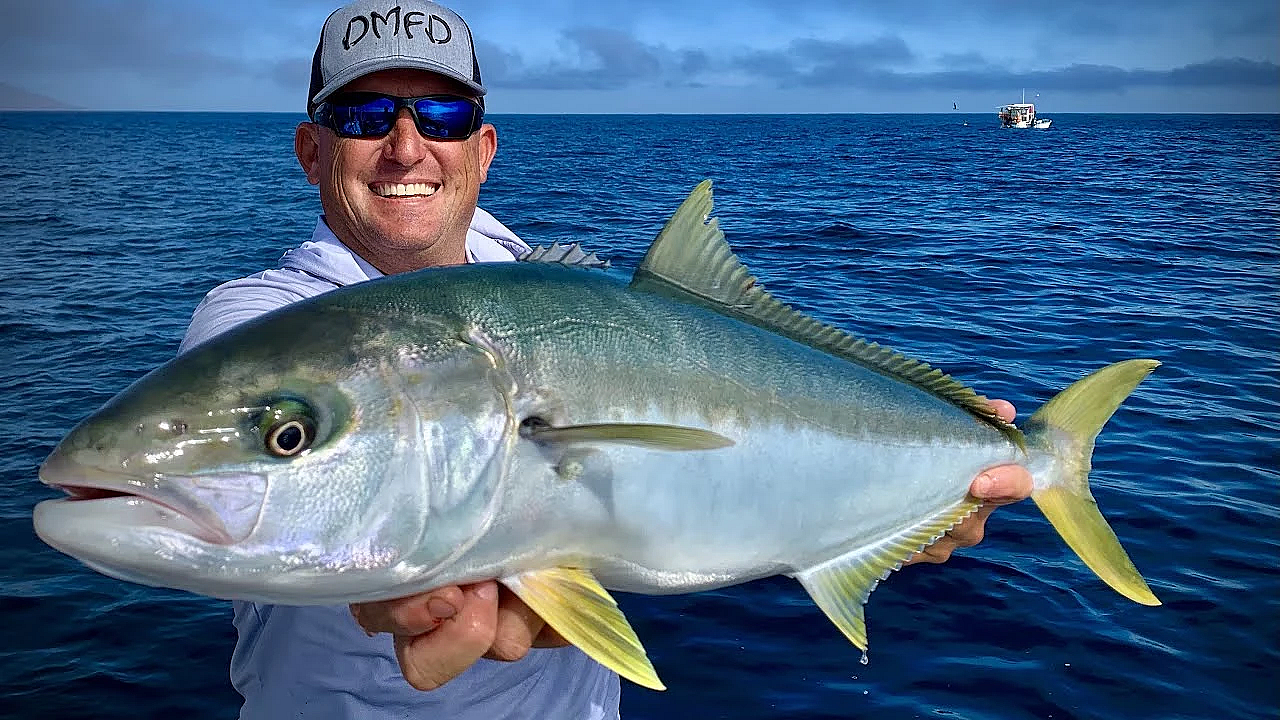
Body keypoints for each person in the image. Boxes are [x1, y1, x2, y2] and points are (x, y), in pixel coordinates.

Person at [179, 1, 1034, 717]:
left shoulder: (568, 297)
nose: (407, 147)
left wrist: (889, 514)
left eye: (441, 117)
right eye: (365, 117)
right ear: (312, 150)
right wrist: (398, 583)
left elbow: (723, 476)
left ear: (482, 148)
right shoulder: (260, 327)